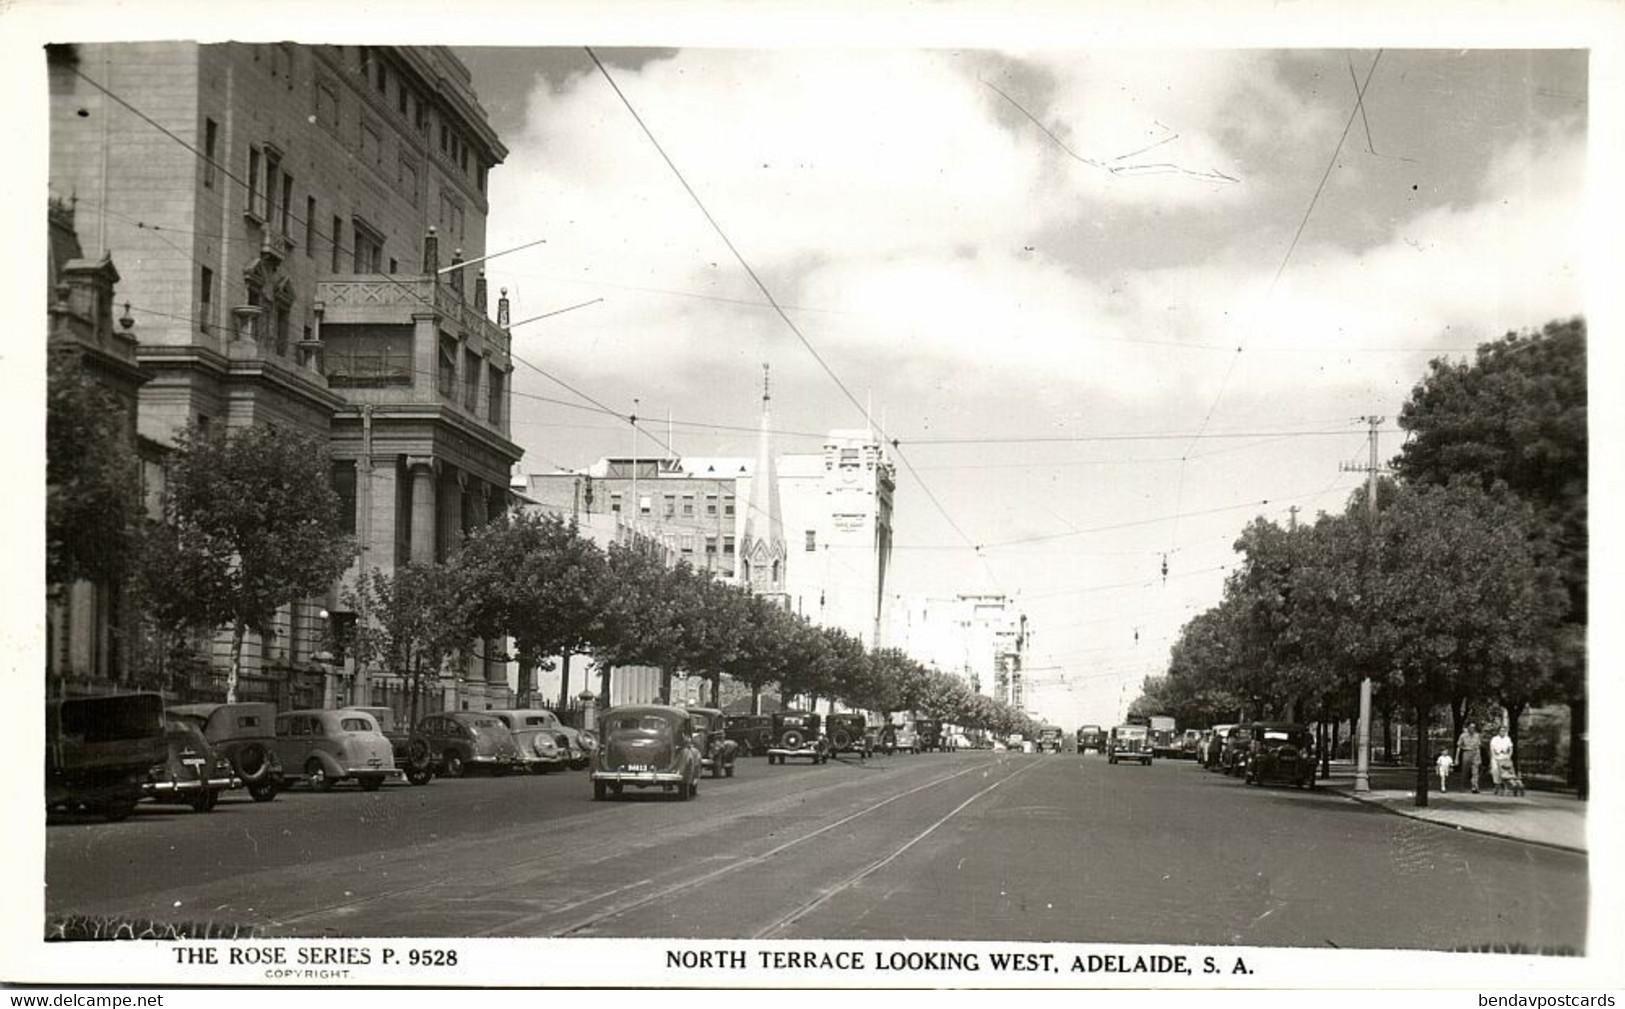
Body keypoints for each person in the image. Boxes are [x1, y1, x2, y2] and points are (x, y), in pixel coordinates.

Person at [1456, 722, 1483, 793]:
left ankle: (1475, 787)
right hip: (1466, 753)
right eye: (1471, 727)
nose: (1472, 729)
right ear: (1468, 727)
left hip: (1475, 753)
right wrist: (1456, 758)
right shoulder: (1463, 736)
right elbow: (1458, 747)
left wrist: (1479, 757)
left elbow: (1478, 747)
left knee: (1475, 771)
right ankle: (1462, 786)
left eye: (1474, 727)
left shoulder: (1477, 735)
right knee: (1465, 771)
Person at [1489, 725, 1514, 796]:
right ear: (1498, 731)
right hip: (1496, 757)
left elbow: (1511, 748)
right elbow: (1492, 748)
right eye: (1501, 731)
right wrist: (1494, 755)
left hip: (1505, 757)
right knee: (1495, 771)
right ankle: (1497, 785)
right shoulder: (1495, 739)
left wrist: (1509, 756)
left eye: (1504, 731)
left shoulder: (1507, 739)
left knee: (1505, 772)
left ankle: (1506, 787)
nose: (1502, 732)